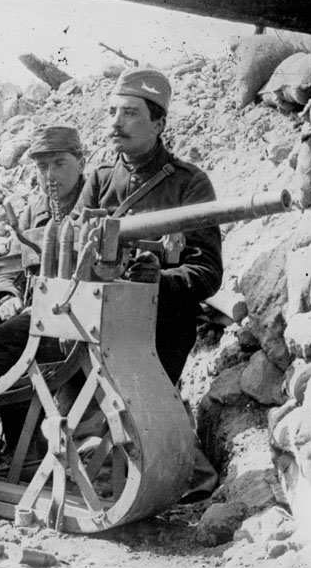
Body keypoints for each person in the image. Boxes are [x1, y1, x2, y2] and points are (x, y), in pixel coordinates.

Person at [71, 67, 223, 500]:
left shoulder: (190, 184)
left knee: (145, 421)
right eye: (113, 112)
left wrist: (160, 280)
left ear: (158, 124)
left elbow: (207, 272)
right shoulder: (100, 180)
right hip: (98, 319)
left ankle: (179, 470)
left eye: (131, 114)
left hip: (159, 325)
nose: (115, 122)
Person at [0, 125, 87, 450]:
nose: (50, 175)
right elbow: (9, 266)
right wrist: (7, 294)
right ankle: (20, 440)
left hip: (78, 321)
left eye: (59, 164)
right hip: (38, 316)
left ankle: (23, 445)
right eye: (41, 166)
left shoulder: (96, 202)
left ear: (81, 161)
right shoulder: (33, 210)